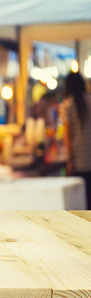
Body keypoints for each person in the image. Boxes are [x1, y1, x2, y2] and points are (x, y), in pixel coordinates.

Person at [62, 72, 91, 209]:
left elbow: (68, 135)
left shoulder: (67, 105)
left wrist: (69, 161)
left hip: (79, 161)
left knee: (81, 202)